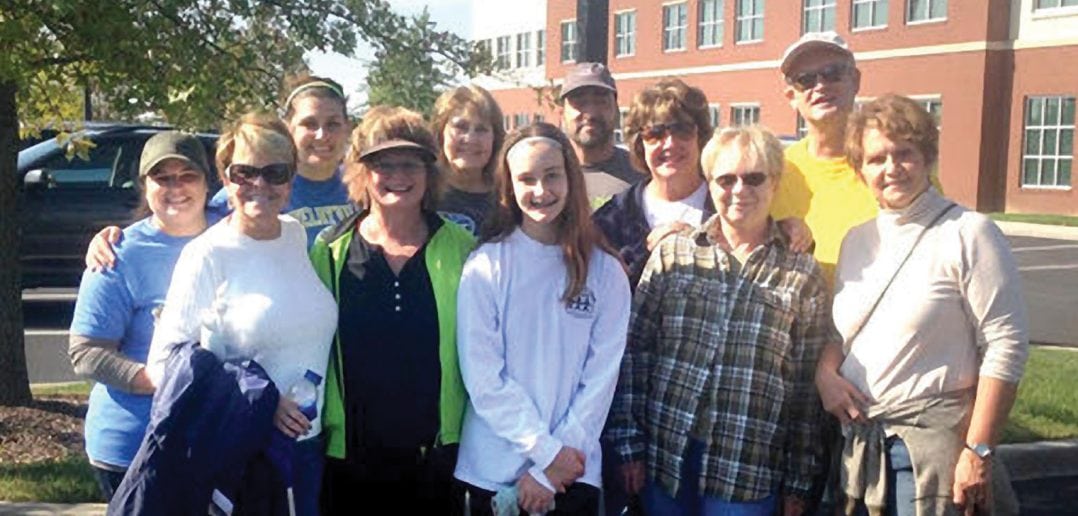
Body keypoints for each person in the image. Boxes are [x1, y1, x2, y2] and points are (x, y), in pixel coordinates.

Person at [609, 125, 837, 516]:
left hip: (745, 471)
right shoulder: (673, 255)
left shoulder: (803, 274)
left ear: (775, 182)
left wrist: (800, 481)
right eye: (726, 179)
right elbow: (635, 353)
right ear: (710, 184)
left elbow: (804, 393)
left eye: (754, 178)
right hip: (667, 460)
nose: (739, 190)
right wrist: (629, 443)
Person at [817, 94, 1028, 516]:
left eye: (904, 153)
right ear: (860, 171)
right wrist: (824, 373)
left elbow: (1007, 345)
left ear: (927, 157)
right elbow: (845, 334)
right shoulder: (856, 241)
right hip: (860, 447)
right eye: (877, 159)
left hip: (931, 455)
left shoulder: (969, 233)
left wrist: (978, 450)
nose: (891, 168)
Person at [146, 111, 338, 516]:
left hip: (308, 448)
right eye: (244, 172)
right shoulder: (206, 254)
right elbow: (164, 366)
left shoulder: (295, 234)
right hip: (245, 454)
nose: (260, 184)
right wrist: (262, 400)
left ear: (292, 178)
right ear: (225, 177)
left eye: (275, 172)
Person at [453, 122, 631, 515]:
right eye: (526, 179)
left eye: (552, 175)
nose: (540, 191)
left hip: (573, 471)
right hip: (493, 471)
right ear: (509, 187)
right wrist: (543, 451)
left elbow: (600, 379)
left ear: (571, 177)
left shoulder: (605, 271)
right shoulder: (486, 266)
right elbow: (483, 377)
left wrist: (554, 469)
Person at [308, 106, 475, 512]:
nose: (398, 176)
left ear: (429, 171)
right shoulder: (328, 252)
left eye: (411, 163)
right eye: (383, 164)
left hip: (437, 460)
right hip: (350, 462)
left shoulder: (464, 249)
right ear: (362, 173)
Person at [68, 131, 212, 501]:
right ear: (144, 185)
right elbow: (85, 353)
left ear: (209, 181)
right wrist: (159, 379)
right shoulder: (118, 255)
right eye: (162, 177)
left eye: (188, 175)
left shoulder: (233, 232)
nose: (176, 187)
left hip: (214, 440)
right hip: (133, 447)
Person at [86, 75, 355, 268]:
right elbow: (177, 226)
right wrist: (117, 242)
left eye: (333, 124)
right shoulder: (249, 192)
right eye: (309, 123)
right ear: (289, 127)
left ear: (347, 127)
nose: (322, 135)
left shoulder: (361, 187)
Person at [591, 78, 715, 288]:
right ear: (640, 145)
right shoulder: (612, 219)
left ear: (700, 136)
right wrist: (646, 255)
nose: (670, 143)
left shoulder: (728, 205)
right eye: (655, 134)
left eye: (682, 130)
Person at [557, 62, 641, 203]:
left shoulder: (642, 173)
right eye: (580, 103)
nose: (590, 113)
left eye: (601, 102)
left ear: (617, 112)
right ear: (561, 114)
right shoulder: (547, 175)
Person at [431, 84, 506, 236]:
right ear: (441, 133)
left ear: (495, 138)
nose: (470, 139)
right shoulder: (422, 191)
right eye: (461, 127)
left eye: (481, 129)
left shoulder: (507, 195)